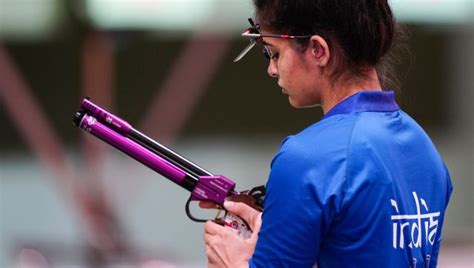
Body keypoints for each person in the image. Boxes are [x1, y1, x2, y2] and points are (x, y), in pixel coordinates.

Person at [202, 0, 453, 267]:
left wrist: (232, 262)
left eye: (273, 53)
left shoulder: (307, 157)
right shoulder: (425, 150)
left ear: (317, 50)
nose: (272, 69)